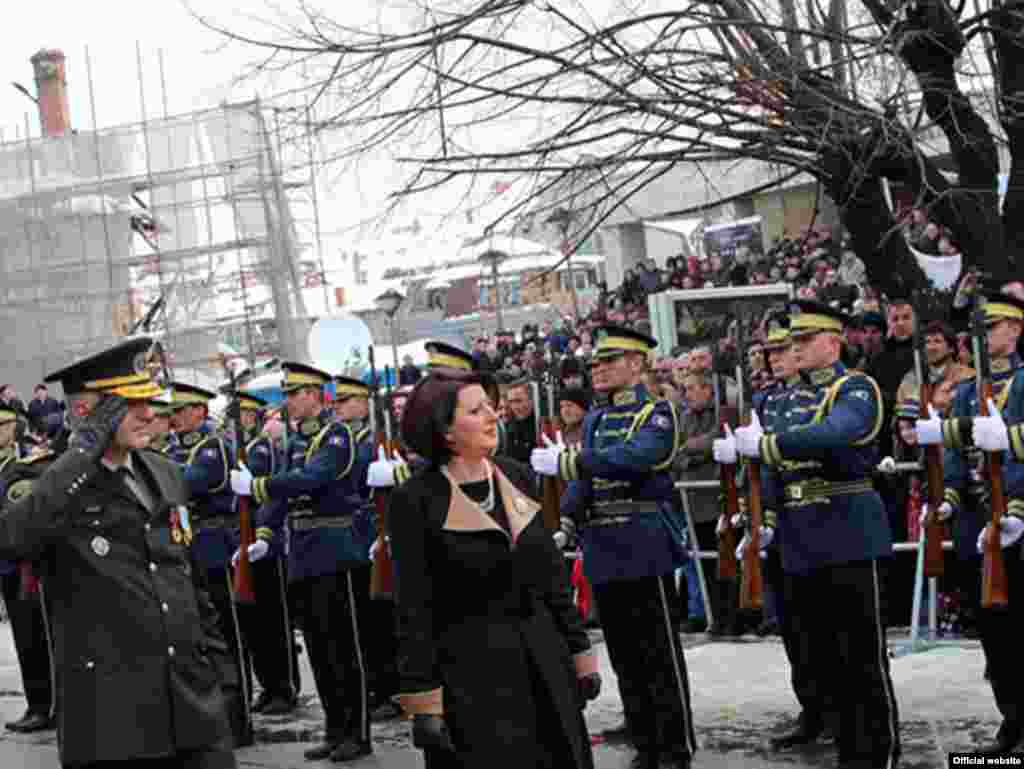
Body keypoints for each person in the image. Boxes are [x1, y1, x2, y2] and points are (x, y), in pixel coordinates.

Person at [0, 337, 237, 768]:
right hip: (113, 722)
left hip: (193, 709)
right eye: (130, 403)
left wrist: (223, 677)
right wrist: (83, 451)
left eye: (149, 399)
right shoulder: (45, 482)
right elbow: (14, 537)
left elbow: (187, 580)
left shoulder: (163, 472)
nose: (150, 413)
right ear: (89, 412)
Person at [385, 366, 600, 769]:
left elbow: (550, 574)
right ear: (445, 430)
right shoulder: (415, 499)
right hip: (472, 675)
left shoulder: (515, 475)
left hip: (544, 660)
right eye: (475, 409)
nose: (492, 415)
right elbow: (414, 604)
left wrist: (579, 648)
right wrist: (424, 700)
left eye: (490, 405)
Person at [716, 300, 899, 769]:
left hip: (847, 531)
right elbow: (773, 474)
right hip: (800, 537)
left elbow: (839, 431)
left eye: (803, 340)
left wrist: (770, 446)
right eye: (790, 341)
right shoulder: (783, 398)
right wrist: (764, 519)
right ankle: (847, 751)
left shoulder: (856, 388)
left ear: (831, 342)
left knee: (862, 661)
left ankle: (877, 756)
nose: (793, 349)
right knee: (823, 658)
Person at [532, 325, 696, 769]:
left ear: (637, 364)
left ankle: (675, 746)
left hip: (644, 540)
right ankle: (646, 743)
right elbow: (586, 483)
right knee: (625, 656)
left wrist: (570, 460)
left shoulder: (657, 414)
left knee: (659, 652)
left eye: (608, 361)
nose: (598, 369)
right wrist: (564, 520)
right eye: (595, 363)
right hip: (603, 543)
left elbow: (638, 457)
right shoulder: (597, 419)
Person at [231, 363, 373, 763]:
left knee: (345, 647)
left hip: (336, 547)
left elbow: (314, 478)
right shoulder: (295, 441)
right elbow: (282, 493)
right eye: (287, 394)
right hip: (304, 553)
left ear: (314, 395)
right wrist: (263, 533)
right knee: (319, 648)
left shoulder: (338, 436)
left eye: (294, 394)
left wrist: (259, 485)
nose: (289, 401)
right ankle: (334, 728)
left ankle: (357, 732)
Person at [915, 291, 1024, 755]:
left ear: (1015, 329)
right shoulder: (965, 391)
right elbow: (957, 459)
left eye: (992, 326)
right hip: (979, 523)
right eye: (977, 330)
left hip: (1020, 519)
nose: (983, 337)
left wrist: (1017, 508)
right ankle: (1012, 720)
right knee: (994, 629)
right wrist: (947, 500)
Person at [166, 382, 252, 748]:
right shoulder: (173, 448)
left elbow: (190, 482)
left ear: (200, 411)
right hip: (191, 546)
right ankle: (216, 717)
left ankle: (240, 719)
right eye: (174, 412)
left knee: (229, 638)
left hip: (217, 544)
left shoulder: (213, 446)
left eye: (183, 410)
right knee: (203, 640)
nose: (176, 418)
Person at [232, 392, 298, 716]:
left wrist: (263, 535)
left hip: (266, 542)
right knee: (255, 624)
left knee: (274, 621)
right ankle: (268, 685)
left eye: (245, 413)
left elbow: (269, 497)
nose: (240, 419)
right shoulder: (239, 449)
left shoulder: (261, 449)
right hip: (247, 539)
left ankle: (284, 687)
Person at [0, 403, 55, 734]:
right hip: (5, 563)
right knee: (23, 637)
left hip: (25, 565)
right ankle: (37, 701)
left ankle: (45, 705)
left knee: (36, 636)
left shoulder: (25, 467)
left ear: (10, 431)